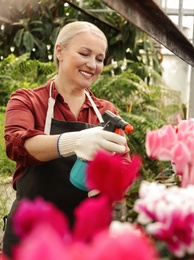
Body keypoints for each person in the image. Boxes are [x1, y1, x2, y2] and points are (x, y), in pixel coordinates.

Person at [2, 21, 130, 258]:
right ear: (59, 51)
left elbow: (123, 165)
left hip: (84, 238)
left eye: (100, 58)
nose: (92, 65)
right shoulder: (27, 101)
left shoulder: (106, 112)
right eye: (84, 53)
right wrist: (73, 142)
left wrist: (110, 182)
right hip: (31, 236)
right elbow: (16, 145)